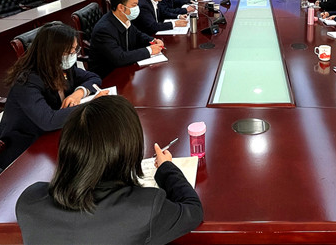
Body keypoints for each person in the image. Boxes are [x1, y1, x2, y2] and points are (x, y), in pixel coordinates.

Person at [16, 95, 203, 245]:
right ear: (128, 151)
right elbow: (193, 210)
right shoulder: (145, 208)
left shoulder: (28, 201)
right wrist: (166, 168)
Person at [0, 22, 106, 170]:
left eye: (75, 49)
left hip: (55, 134)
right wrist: (91, 104)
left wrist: (79, 93)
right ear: (52, 52)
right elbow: (48, 121)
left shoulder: (62, 66)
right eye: (69, 51)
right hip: (26, 148)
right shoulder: (27, 81)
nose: (74, 55)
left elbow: (94, 78)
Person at [88, 0, 164, 78]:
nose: (137, 8)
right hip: (108, 76)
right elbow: (119, 58)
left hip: (126, 68)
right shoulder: (104, 30)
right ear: (121, 7)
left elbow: (137, 35)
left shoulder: (124, 18)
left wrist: (152, 40)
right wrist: (149, 50)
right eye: (134, 5)